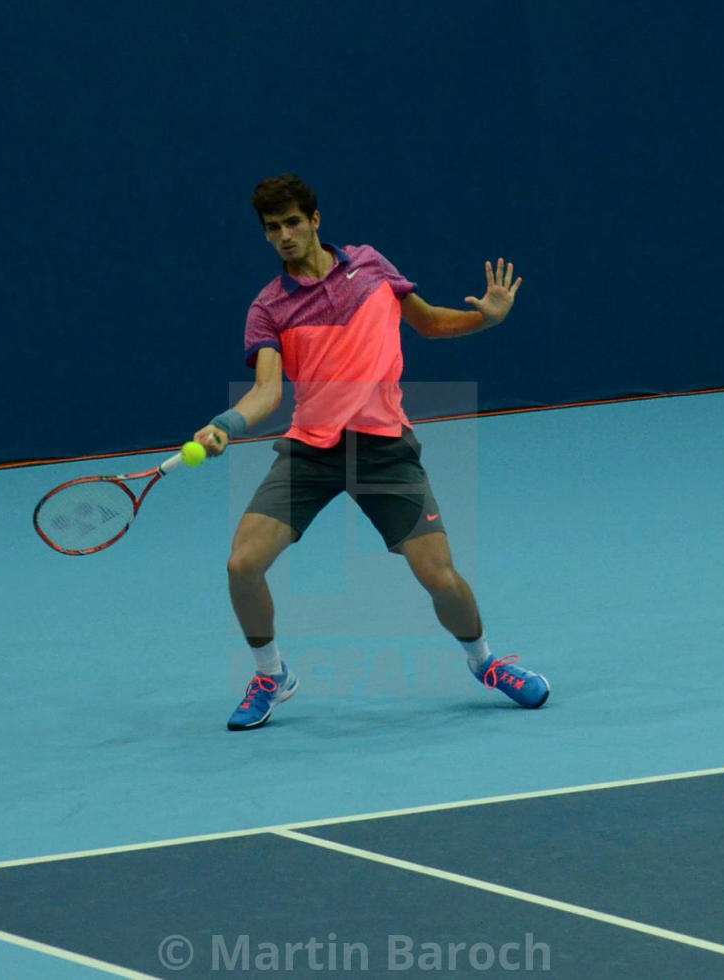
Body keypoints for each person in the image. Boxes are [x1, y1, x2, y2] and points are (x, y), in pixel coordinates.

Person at [193, 174, 549, 731]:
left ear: (314, 220)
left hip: (384, 448)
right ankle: (271, 676)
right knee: (242, 565)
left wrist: (487, 317)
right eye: (271, 228)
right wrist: (224, 425)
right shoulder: (267, 308)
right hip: (311, 452)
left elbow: (428, 324)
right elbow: (266, 390)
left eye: (291, 222)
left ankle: (485, 664)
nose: (283, 235)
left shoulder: (370, 266)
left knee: (441, 579)